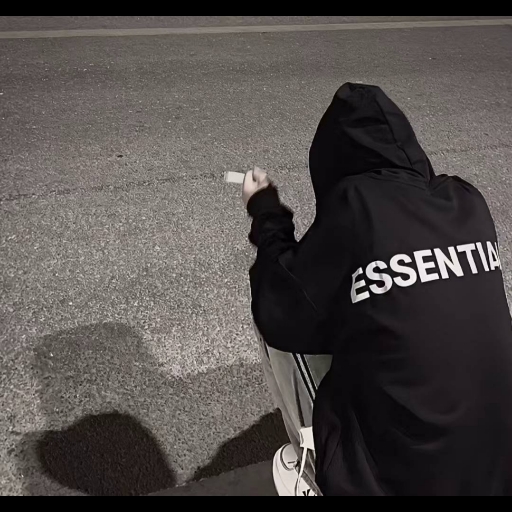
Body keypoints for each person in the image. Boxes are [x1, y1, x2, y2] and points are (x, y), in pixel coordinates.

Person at [242, 83, 512, 497]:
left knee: (275, 293)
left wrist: (264, 209)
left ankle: (315, 468)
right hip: (498, 470)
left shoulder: (354, 204)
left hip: (400, 483)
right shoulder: (466, 199)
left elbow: (282, 303)